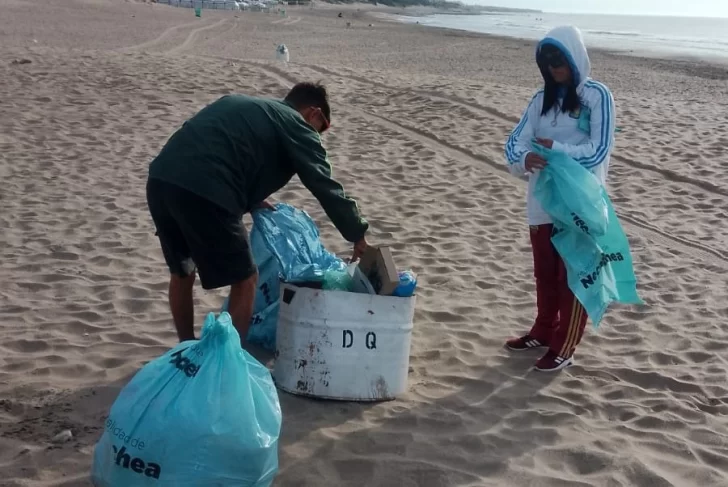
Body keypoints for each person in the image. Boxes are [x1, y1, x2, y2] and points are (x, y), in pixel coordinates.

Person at [146, 82, 370, 346]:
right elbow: (323, 183)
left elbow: (225, 146)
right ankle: (230, 362)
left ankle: (184, 347)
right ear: (314, 114)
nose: (316, 137)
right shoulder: (296, 123)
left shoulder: (249, 106)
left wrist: (252, 198)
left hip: (161, 181)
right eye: (320, 131)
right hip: (207, 189)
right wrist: (357, 233)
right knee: (246, 279)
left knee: (182, 272)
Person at [503, 26, 616, 372]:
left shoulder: (597, 96)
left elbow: (598, 151)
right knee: (545, 272)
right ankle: (542, 330)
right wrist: (524, 160)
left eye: (559, 59)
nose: (554, 67)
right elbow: (514, 141)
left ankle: (565, 344)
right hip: (541, 200)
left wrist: (556, 152)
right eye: (547, 60)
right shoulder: (541, 100)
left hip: (579, 203)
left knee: (576, 272)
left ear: (574, 57)